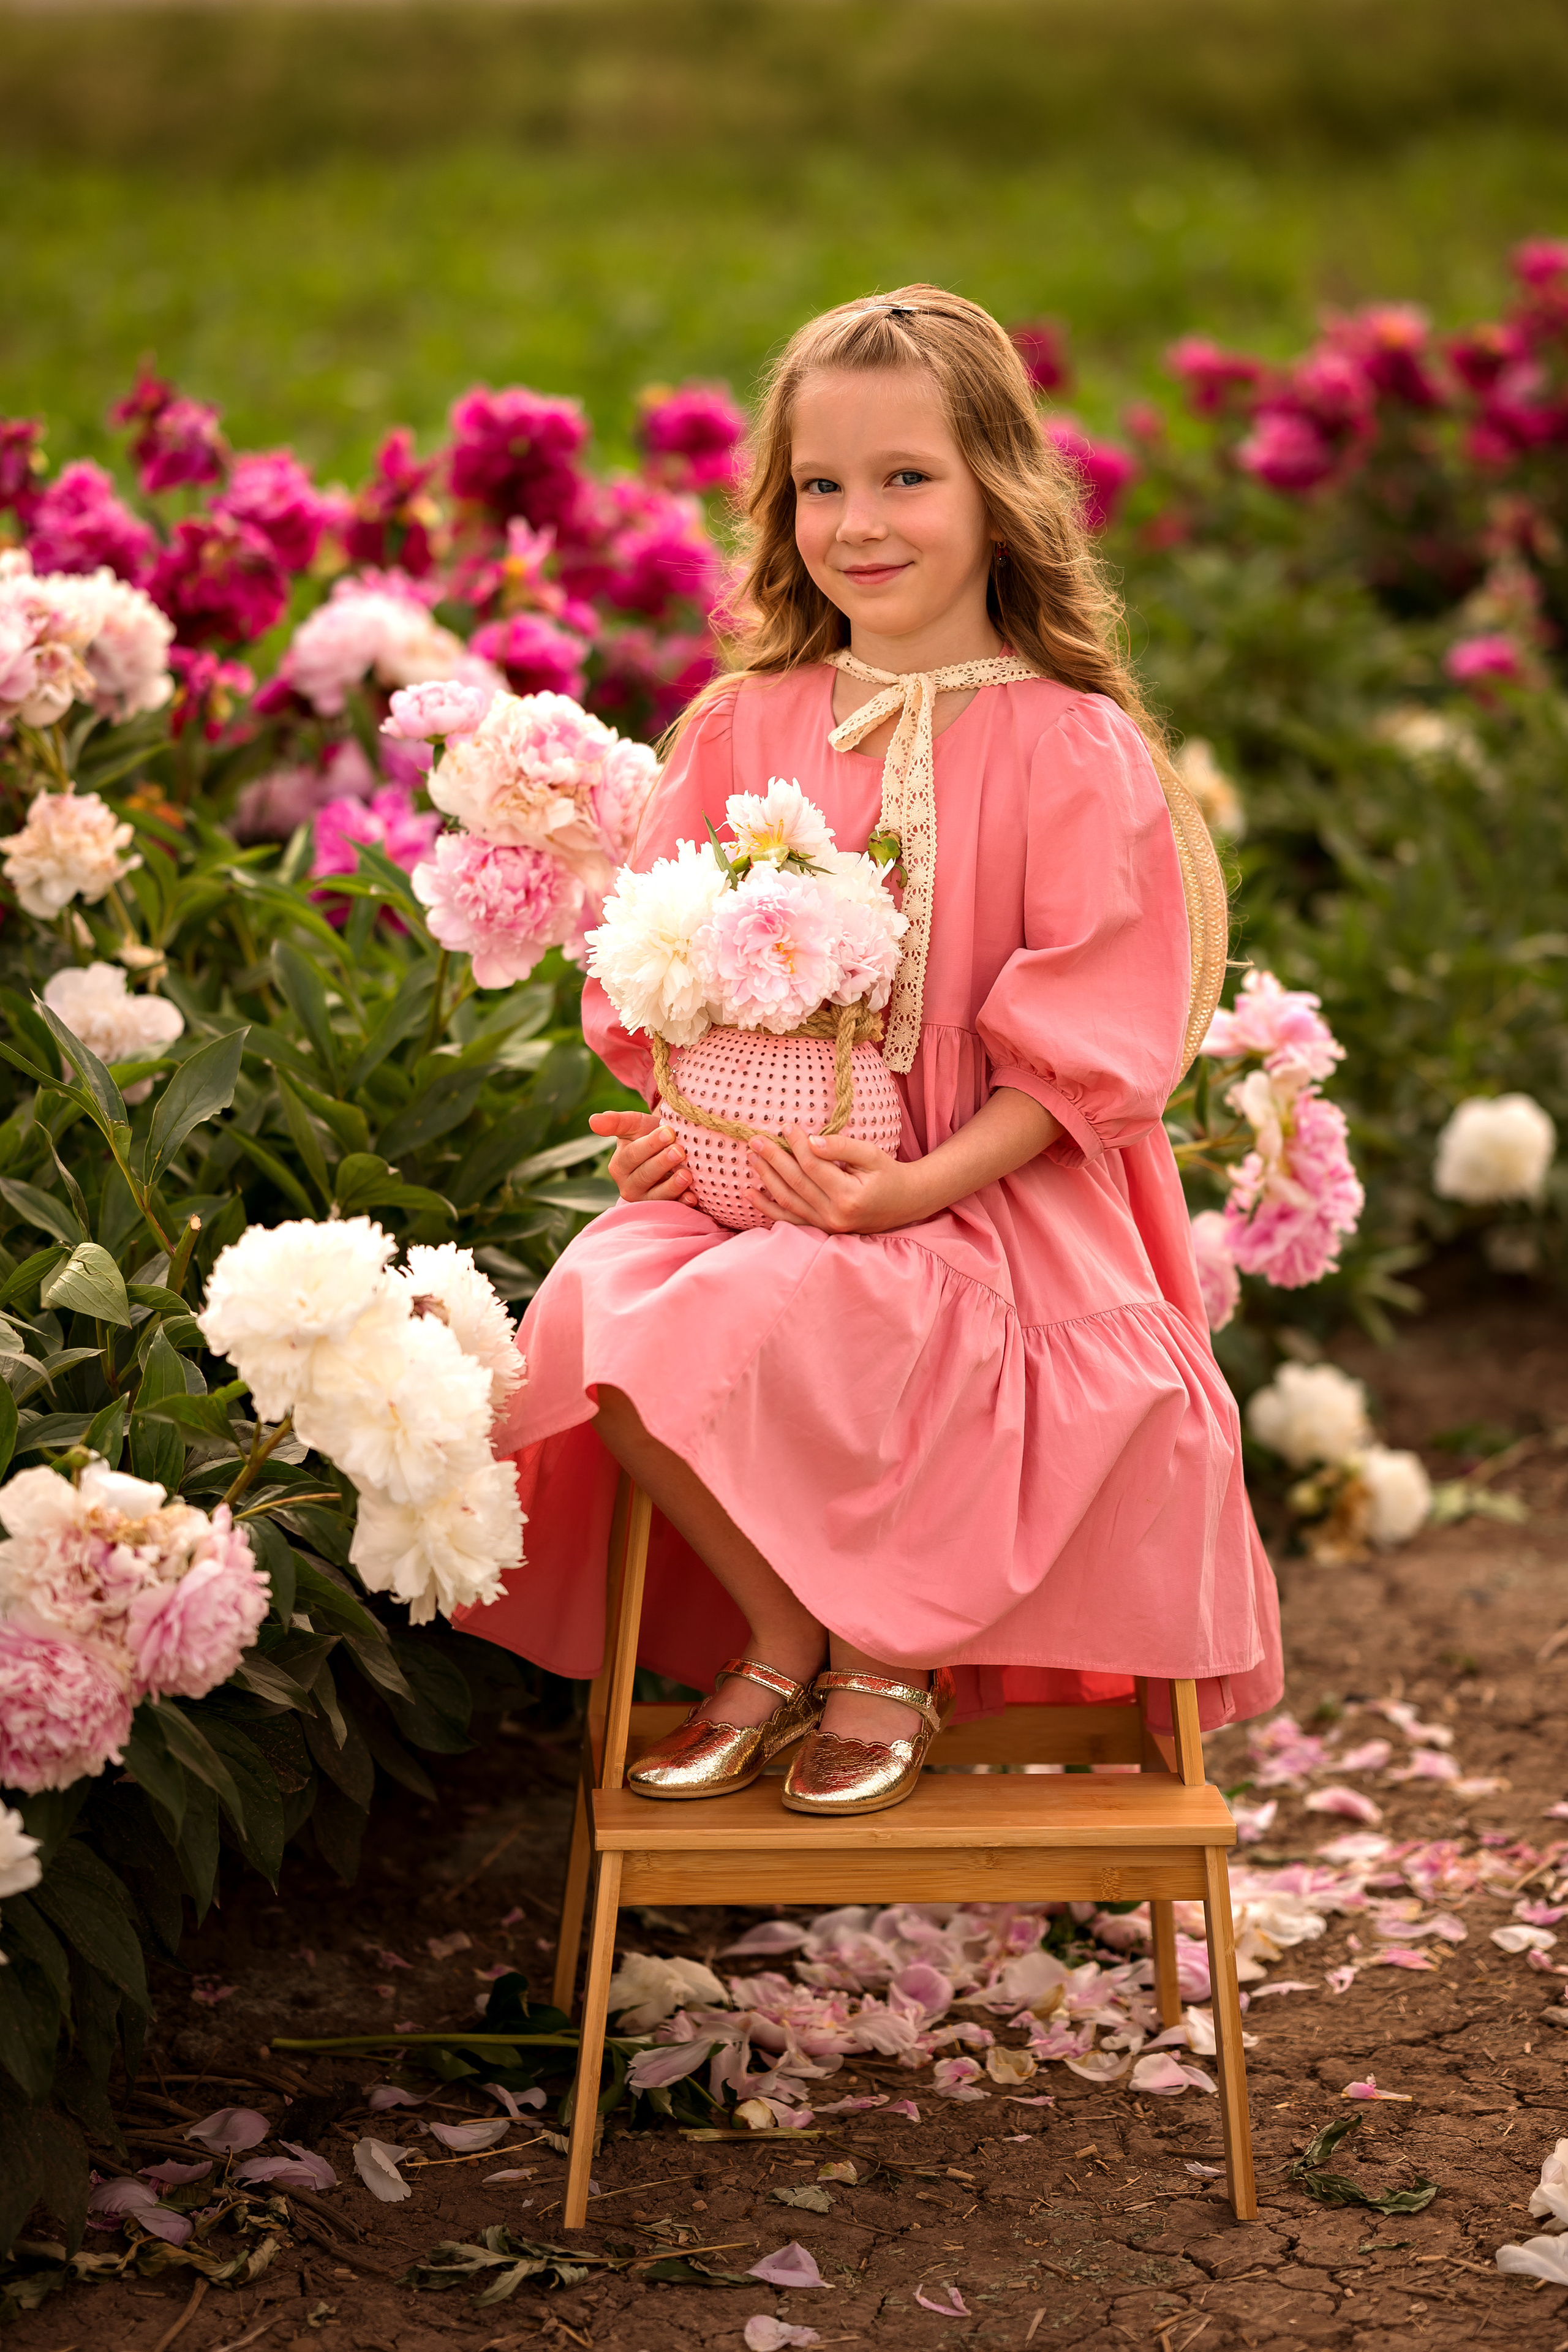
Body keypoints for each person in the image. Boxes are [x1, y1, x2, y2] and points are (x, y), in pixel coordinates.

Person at [459, 285, 1282, 1816]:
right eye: (820, 486)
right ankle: (789, 1640)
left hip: (989, 1199)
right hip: (759, 1176)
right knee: (605, 1316)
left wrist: (915, 1188)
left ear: (998, 493)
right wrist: (675, 1123)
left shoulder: (1066, 745)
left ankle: (884, 1661)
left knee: (762, 1314)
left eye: (905, 478)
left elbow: (1089, 1045)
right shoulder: (743, 723)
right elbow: (670, 980)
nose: (859, 522)